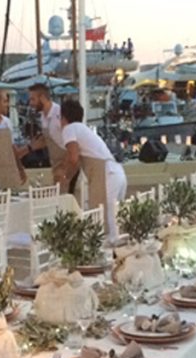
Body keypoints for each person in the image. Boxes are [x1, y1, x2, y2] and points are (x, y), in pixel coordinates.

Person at [59, 100, 126, 242]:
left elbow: (73, 158)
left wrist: (65, 177)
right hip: (116, 171)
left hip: (106, 174)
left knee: (105, 217)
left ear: (63, 117)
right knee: (115, 217)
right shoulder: (83, 129)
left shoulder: (69, 129)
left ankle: (110, 254)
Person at [27, 83, 77, 191]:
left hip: (67, 164)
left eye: (33, 99)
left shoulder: (59, 114)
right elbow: (48, 139)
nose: (30, 103)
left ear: (43, 98)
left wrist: (63, 168)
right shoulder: (42, 116)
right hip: (56, 164)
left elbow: (73, 144)